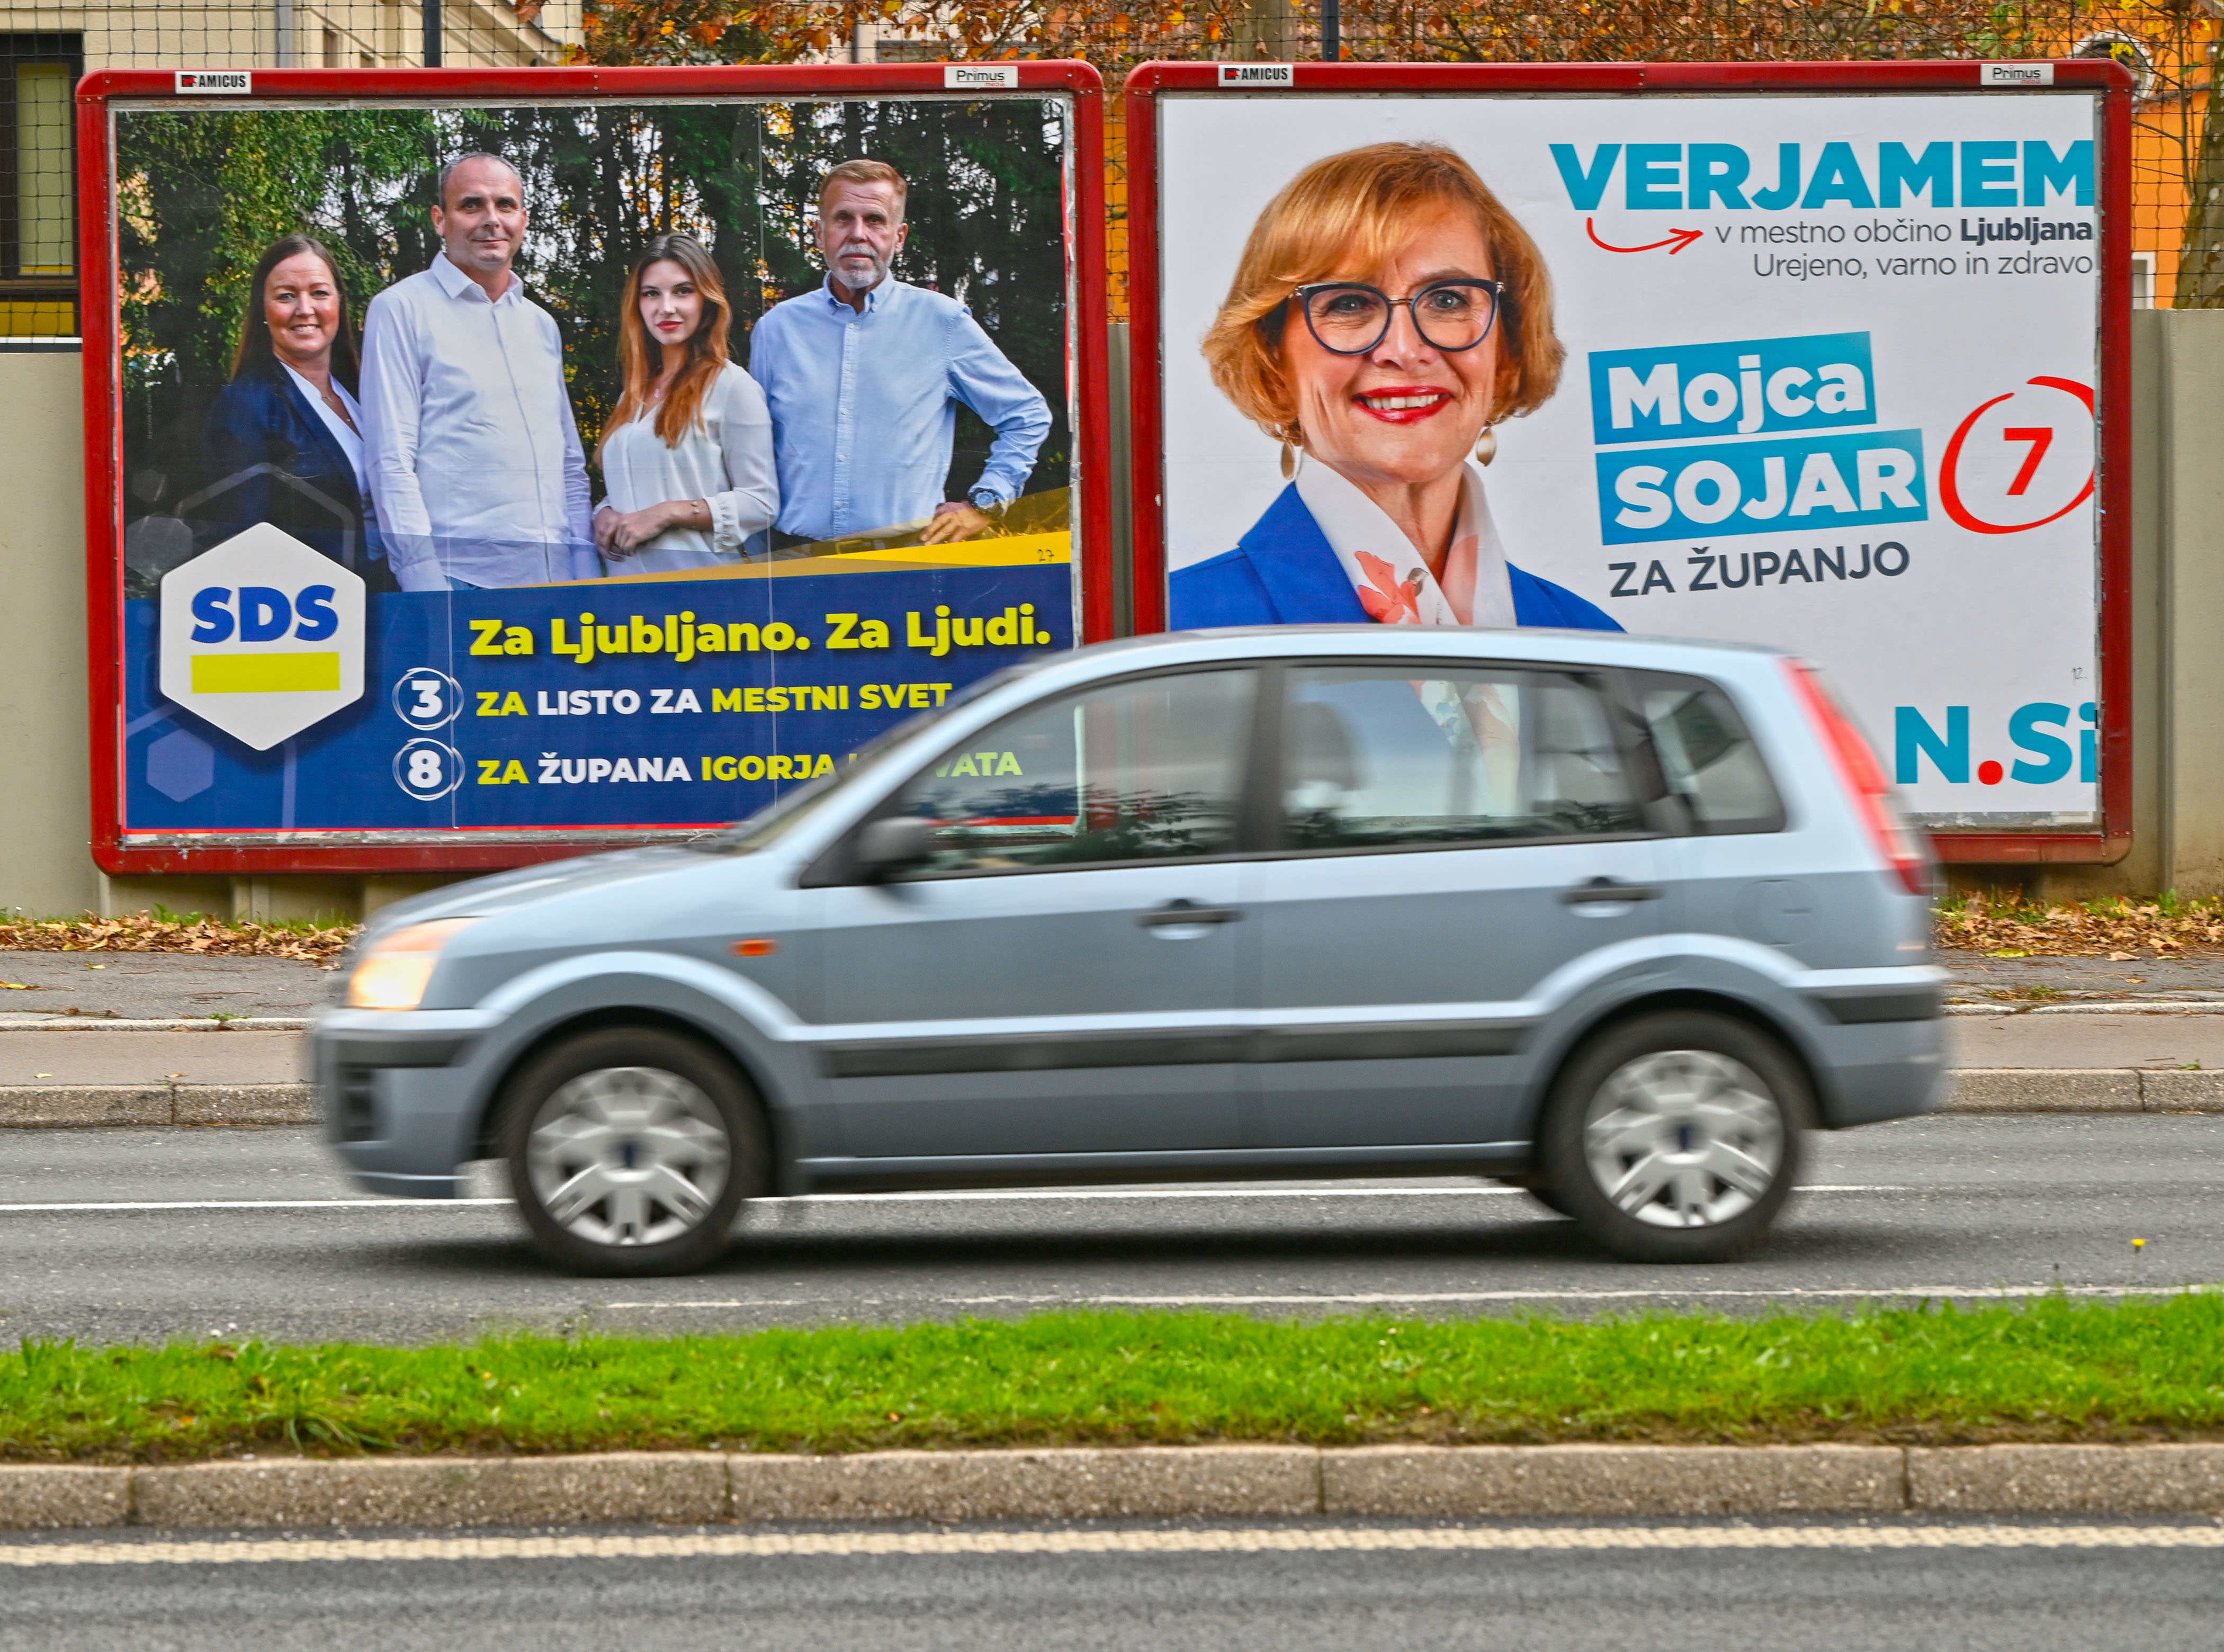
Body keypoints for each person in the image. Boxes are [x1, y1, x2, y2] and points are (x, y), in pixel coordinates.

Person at [1172, 142, 1618, 632]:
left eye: (1447, 300)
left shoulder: (1592, 642)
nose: (1404, 350)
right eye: (1348, 304)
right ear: (1273, 359)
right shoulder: (1177, 634)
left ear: (1506, 350)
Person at [748, 157, 1052, 548]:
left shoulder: (943, 322)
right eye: (843, 219)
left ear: (899, 236)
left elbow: (1026, 415)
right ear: (819, 234)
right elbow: (755, 454)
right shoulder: (777, 330)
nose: (858, 235)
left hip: (904, 564)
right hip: (792, 560)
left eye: (875, 220)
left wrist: (986, 502)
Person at [359, 152, 595, 590]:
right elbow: (391, 464)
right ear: (440, 219)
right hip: (461, 585)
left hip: (557, 587)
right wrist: (427, 590)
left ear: (523, 218)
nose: (491, 219)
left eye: (504, 205)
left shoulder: (540, 325)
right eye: (471, 205)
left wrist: (584, 572)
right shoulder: (401, 310)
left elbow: (568, 465)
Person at [201, 233, 397, 590]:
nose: (305, 309)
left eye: (319, 293)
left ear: (338, 302)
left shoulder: (365, 391)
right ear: (264, 310)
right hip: (315, 614)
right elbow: (238, 540)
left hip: (390, 599)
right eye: (286, 296)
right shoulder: (246, 405)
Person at [594, 234, 779, 574]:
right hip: (629, 606)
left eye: (683, 291)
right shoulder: (632, 395)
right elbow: (638, 487)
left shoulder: (732, 387)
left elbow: (761, 503)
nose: (666, 307)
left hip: (703, 601)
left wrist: (667, 513)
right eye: (652, 293)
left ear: (706, 300)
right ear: (638, 304)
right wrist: (603, 512)